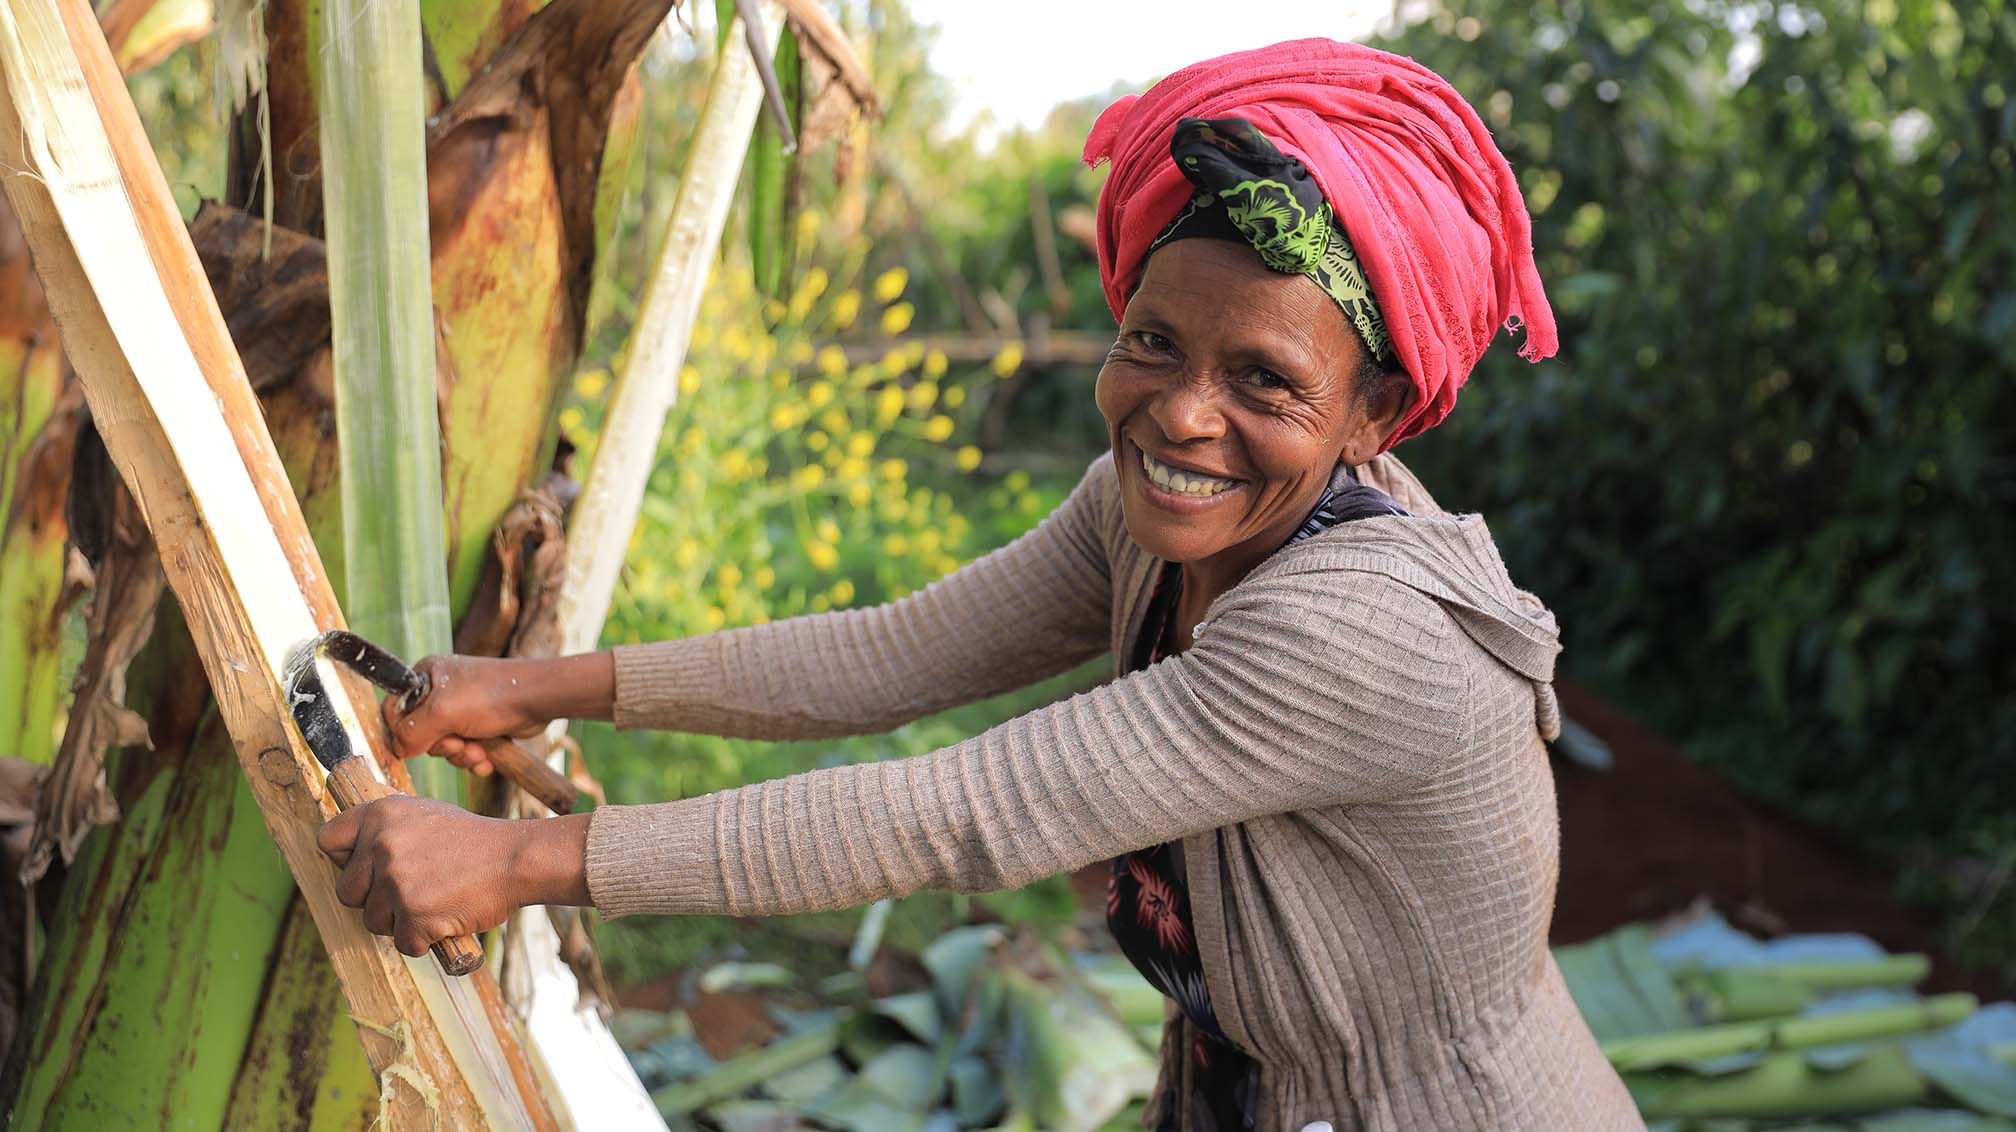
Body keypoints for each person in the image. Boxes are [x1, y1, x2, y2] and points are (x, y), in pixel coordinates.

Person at [316, 38, 1646, 1131]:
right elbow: (895, 657)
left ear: (1376, 415)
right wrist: (528, 687)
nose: (1182, 415)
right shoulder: (1158, 513)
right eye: (1153, 341)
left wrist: (517, 863)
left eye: (1265, 382)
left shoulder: (1355, 632)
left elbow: (963, 816)